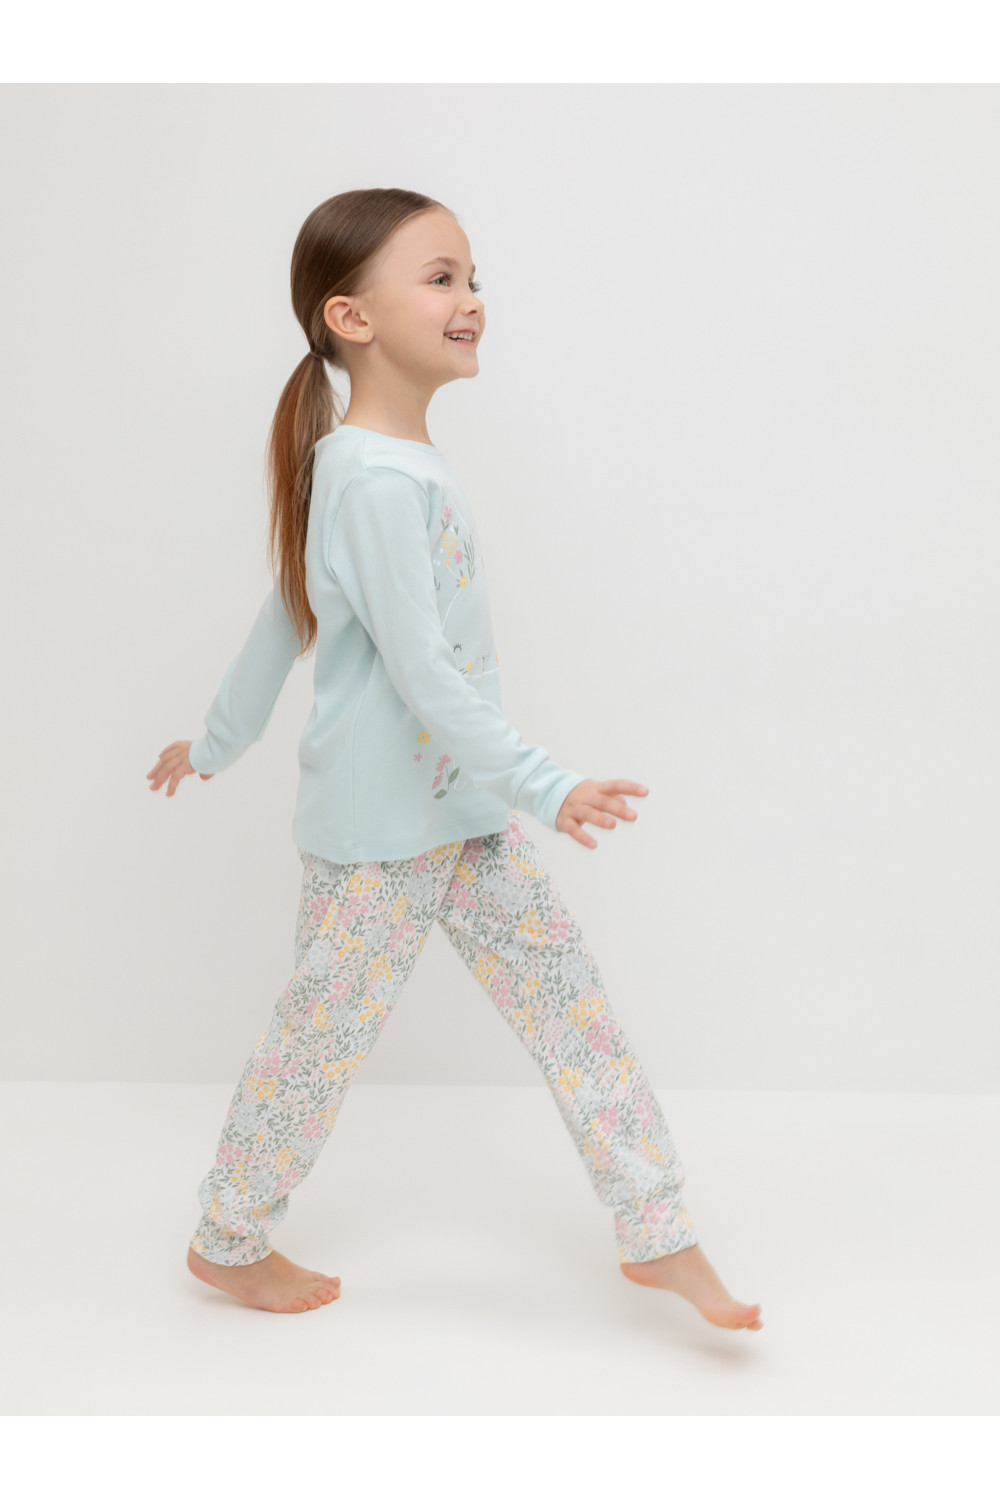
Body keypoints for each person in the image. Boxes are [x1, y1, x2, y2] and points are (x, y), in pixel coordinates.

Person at [146, 187, 762, 1332]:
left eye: (473, 278)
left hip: (464, 819)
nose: (471, 298)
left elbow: (284, 620)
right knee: (315, 1045)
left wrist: (215, 742)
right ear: (351, 317)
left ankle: (657, 1230)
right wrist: (549, 785)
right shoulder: (375, 479)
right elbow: (419, 673)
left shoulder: (383, 467)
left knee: (574, 1014)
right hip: (379, 842)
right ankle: (227, 1238)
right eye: (439, 278)